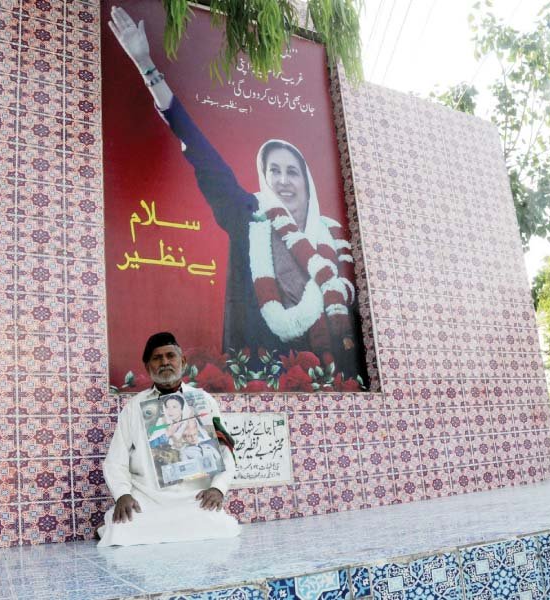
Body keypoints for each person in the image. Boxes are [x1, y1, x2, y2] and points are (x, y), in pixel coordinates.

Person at [108, 6, 366, 380]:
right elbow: (203, 154)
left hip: (329, 378)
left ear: (307, 182)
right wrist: (148, 67)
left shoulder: (334, 241)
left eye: (292, 172)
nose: (282, 181)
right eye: (272, 171)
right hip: (258, 374)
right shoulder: (248, 215)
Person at [98, 332, 240, 546]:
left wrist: (218, 488)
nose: (164, 362)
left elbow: (225, 450)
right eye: (157, 358)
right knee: (121, 529)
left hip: (192, 497)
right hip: (149, 497)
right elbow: (115, 460)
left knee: (218, 524)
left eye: (170, 356)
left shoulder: (203, 401)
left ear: (182, 361)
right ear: (148, 367)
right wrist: (122, 495)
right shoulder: (133, 407)